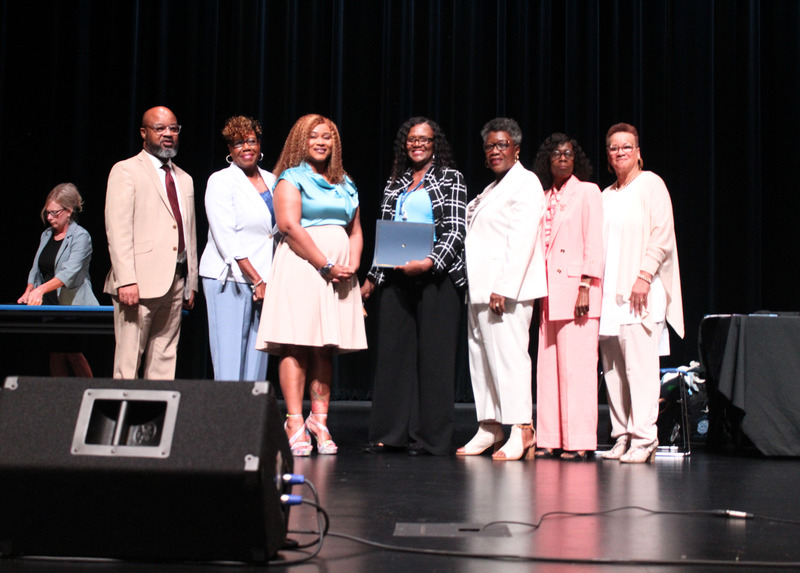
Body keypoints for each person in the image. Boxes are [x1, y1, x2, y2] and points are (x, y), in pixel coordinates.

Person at [256, 114, 366, 456]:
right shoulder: (291, 178)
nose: (321, 142)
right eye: (314, 137)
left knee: (324, 345)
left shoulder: (344, 181)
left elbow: (356, 229)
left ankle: (319, 419)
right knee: (296, 343)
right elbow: (289, 226)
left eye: (327, 137)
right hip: (305, 266)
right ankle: (293, 419)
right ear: (301, 142)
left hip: (339, 273)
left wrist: (353, 264)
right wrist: (326, 264)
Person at [361, 117, 467, 456]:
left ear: (435, 143)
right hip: (396, 276)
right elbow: (388, 235)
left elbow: (454, 229)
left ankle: (431, 437)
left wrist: (431, 262)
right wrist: (372, 280)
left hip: (437, 277)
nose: (417, 144)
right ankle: (390, 433)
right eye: (411, 140)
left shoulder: (451, 178)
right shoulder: (397, 182)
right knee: (393, 354)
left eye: (424, 139)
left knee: (434, 358)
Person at [459, 117, 547, 461]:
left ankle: (521, 428)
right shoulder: (492, 189)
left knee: (509, 358)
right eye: (490, 146)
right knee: (481, 359)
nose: (495, 151)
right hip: (479, 288)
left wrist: (504, 287)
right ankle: (490, 425)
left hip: (505, 291)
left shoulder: (525, 183)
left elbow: (522, 240)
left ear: (517, 149)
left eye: (502, 145)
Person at [599, 122, 684, 463]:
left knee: (640, 367)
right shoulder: (605, 196)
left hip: (640, 291)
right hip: (610, 296)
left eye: (626, 146)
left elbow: (662, 235)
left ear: (638, 152)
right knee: (614, 369)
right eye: (613, 147)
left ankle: (645, 437)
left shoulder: (651, 185)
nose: (620, 152)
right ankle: (621, 435)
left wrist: (644, 275)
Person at [104, 106, 198, 380]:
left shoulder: (184, 178)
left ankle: (153, 421)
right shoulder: (126, 170)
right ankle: (122, 418)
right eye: (160, 129)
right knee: (128, 362)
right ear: (144, 133)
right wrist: (126, 279)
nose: (168, 134)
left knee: (164, 360)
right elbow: (117, 229)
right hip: (138, 282)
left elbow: (189, 232)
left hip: (176, 280)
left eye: (173, 128)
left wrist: (191, 281)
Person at [532, 133, 604, 460]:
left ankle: (579, 441)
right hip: (548, 294)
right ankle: (549, 437)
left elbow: (594, 241)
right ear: (548, 160)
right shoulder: (544, 196)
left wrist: (586, 285)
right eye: (557, 154)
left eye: (569, 153)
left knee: (577, 371)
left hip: (578, 293)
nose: (563, 158)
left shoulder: (587, 192)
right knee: (548, 372)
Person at [199, 116, 277, 381]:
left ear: (259, 145)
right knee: (230, 362)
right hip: (230, 278)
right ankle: (226, 420)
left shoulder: (273, 180)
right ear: (230, 150)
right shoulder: (220, 181)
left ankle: (251, 419)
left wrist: (267, 279)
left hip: (266, 280)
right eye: (238, 143)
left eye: (251, 141)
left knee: (258, 360)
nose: (246, 147)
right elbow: (226, 238)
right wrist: (256, 280)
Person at [18, 183, 98, 376]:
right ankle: (60, 403)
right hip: (50, 303)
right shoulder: (46, 235)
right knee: (55, 354)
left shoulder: (81, 237)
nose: (49, 217)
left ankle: (92, 402)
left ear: (69, 211)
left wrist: (39, 290)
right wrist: (29, 290)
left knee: (72, 353)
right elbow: (36, 268)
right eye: (47, 213)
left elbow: (69, 272)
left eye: (54, 213)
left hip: (72, 304)